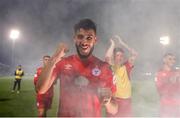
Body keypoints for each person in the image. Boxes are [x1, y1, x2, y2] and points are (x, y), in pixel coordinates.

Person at [36, 18, 118, 117]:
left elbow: (114, 110)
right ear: (74, 38)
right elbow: (40, 89)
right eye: (80, 37)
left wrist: (108, 102)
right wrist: (54, 57)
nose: (84, 41)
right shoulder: (63, 63)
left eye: (89, 37)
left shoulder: (104, 67)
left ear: (95, 40)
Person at [105, 35, 138, 117]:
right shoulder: (110, 68)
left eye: (121, 56)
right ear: (114, 57)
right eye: (117, 55)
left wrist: (122, 43)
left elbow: (135, 54)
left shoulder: (126, 67)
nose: (120, 58)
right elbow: (107, 58)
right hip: (114, 101)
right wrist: (112, 45)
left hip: (127, 101)